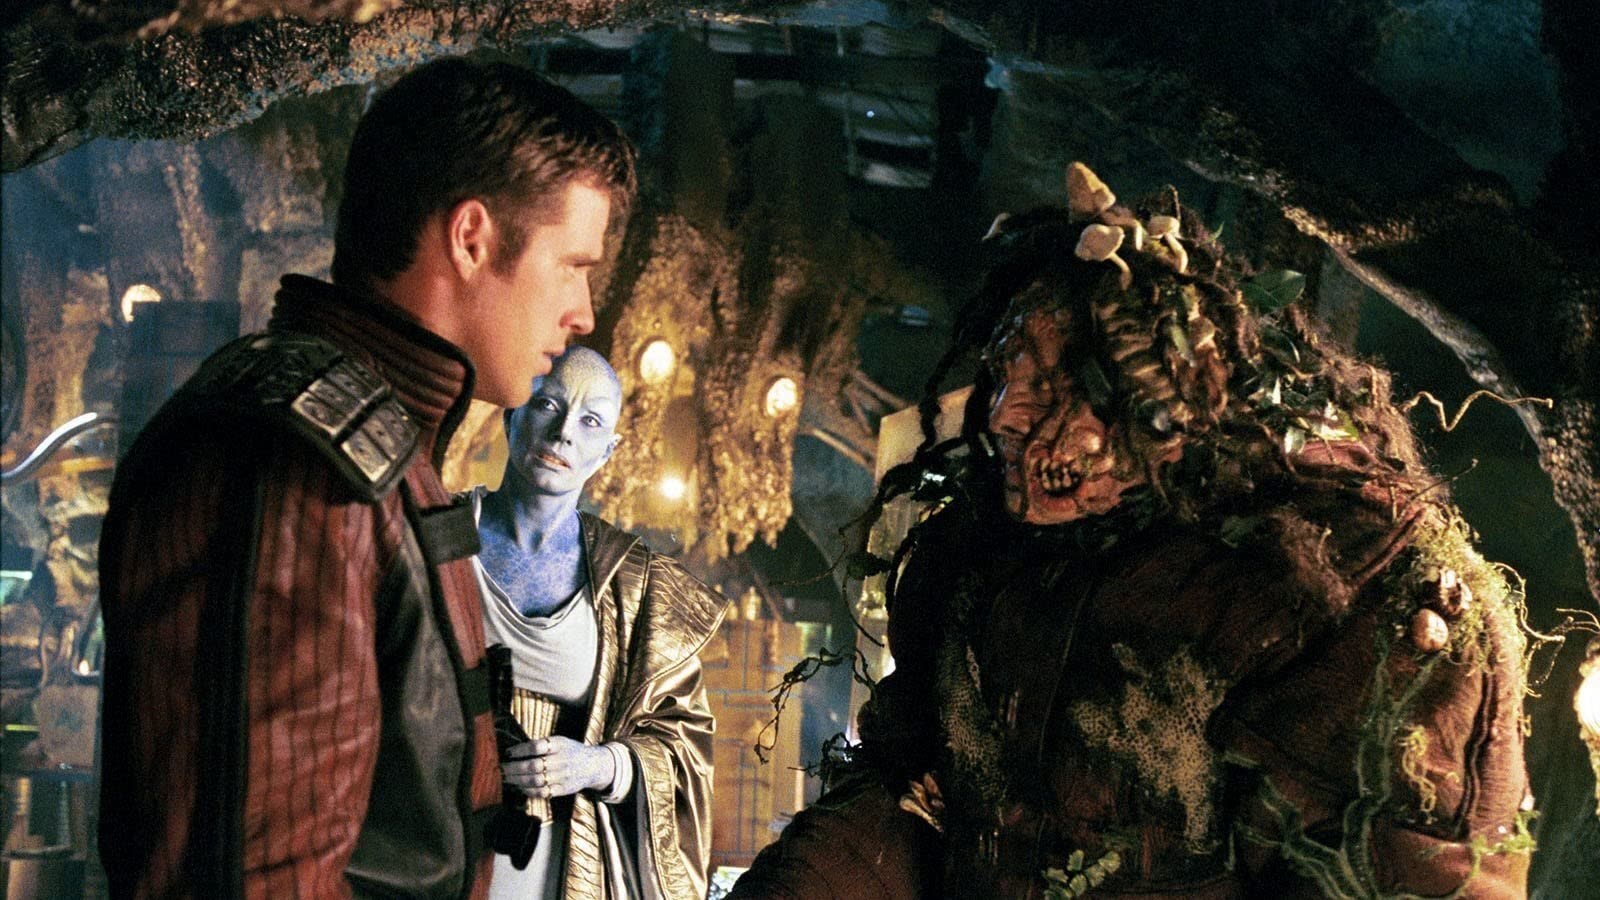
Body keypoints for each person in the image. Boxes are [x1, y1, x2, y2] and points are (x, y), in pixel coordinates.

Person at [732, 163, 1533, 898]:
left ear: (1170, 399)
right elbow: (912, 800)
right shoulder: (980, 557)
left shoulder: (1340, 584)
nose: (1006, 415)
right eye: (1006, 373)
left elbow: (1401, 869)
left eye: (1060, 382)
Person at [96, 57, 635, 898]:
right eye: (573, 264)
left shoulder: (372, 452)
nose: (584, 313)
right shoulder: (303, 471)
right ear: (471, 239)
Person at [471, 345, 724, 900]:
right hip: (435, 850)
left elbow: (684, 751)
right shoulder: (439, 537)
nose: (563, 434)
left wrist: (599, 765)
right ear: (513, 414)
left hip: (564, 868)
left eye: (590, 421)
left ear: (609, 451)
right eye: (547, 405)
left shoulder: (637, 587)